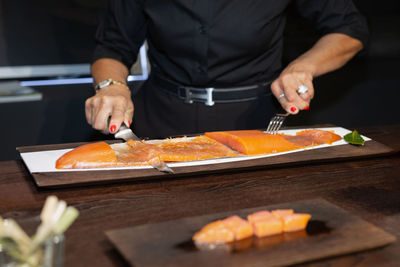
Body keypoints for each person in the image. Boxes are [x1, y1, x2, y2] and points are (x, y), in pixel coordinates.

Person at [85, 0, 368, 139]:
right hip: (159, 120)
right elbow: (112, 46)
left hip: (254, 122)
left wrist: (302, 68)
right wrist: (112, 87)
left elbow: (349, 30)